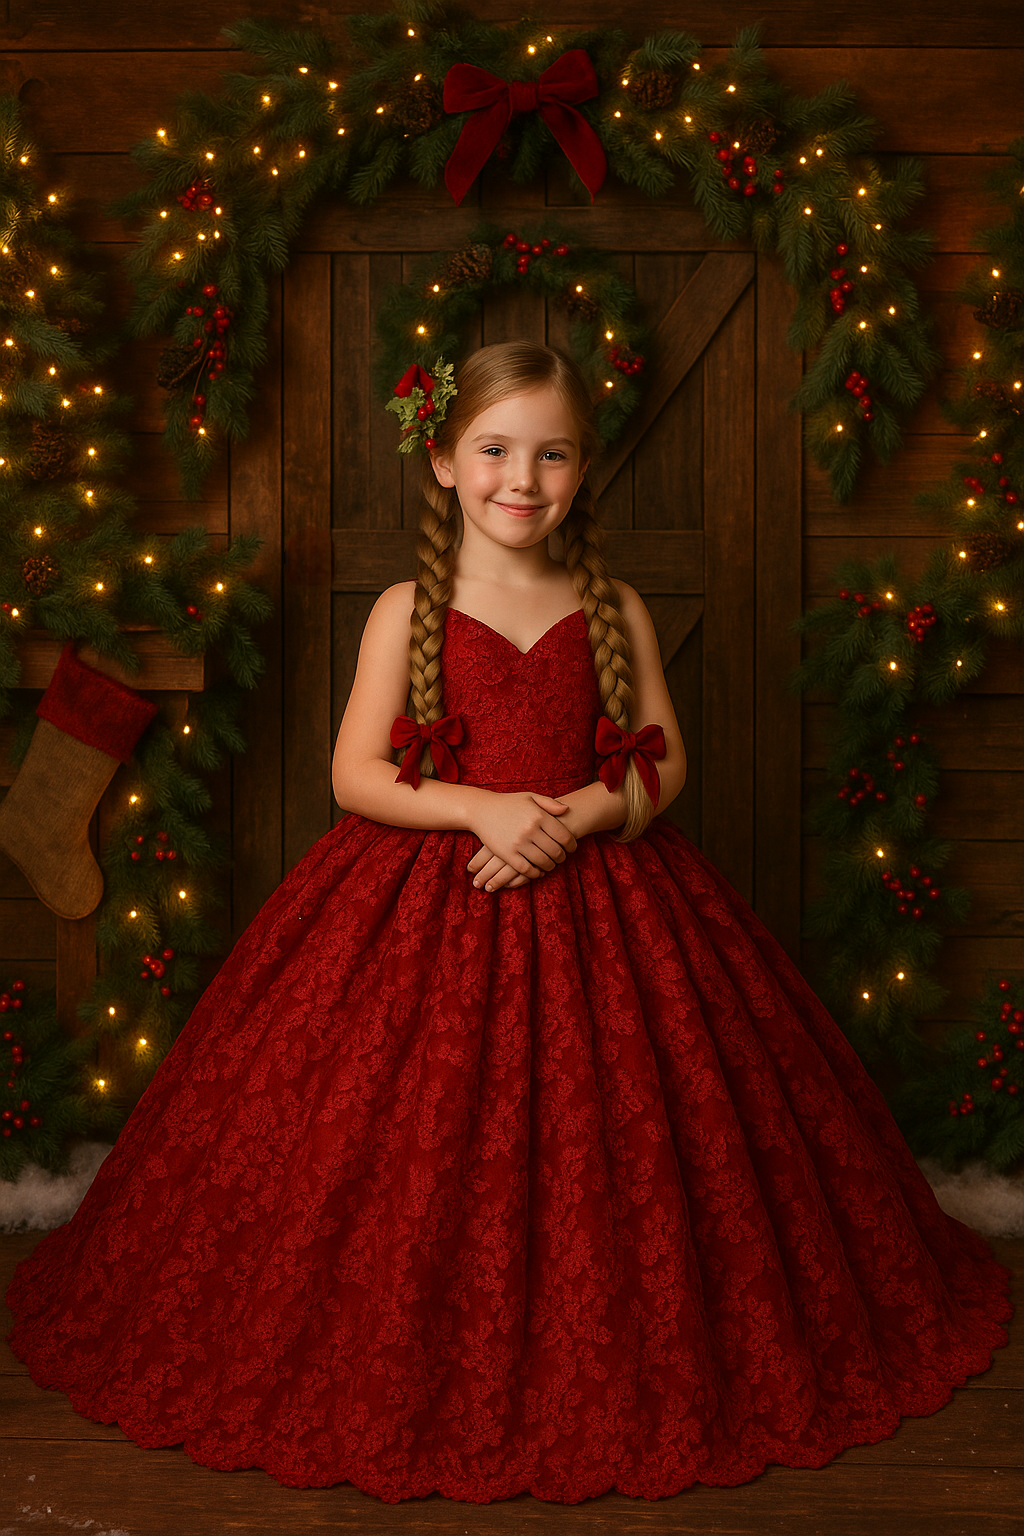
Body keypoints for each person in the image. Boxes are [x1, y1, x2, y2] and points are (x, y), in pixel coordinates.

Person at [5, 341, 1013, 1506]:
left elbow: (664, 761)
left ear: (583, 469)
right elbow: (354, 773)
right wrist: (482, 806)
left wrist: (575, 814)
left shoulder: (612, 604)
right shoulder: (407, 608)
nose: (520, 479)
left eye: (552, 454)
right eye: (493, 450)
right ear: (441, 459)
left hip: (606, 895)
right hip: (424, 891)